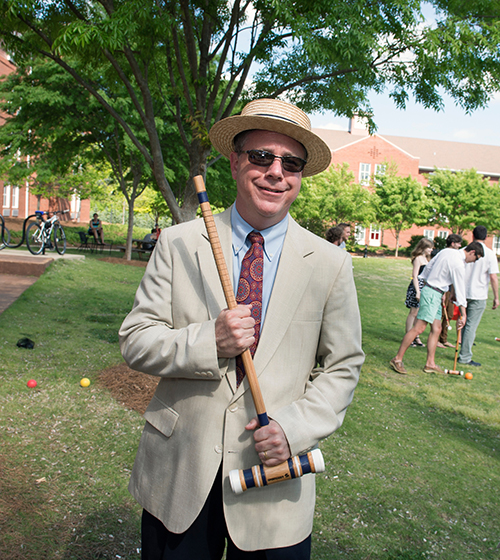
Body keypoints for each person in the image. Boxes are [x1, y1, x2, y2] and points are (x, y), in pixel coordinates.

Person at [119, 98, 364, 559]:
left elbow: (343, 367)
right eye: (261, 156)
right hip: (181, 473)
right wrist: (207, 340)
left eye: (290, 163)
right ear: (234, 162)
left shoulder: (330, 264)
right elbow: (136, 340)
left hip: (274, 484)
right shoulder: (179, 244)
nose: (276, 171)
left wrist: (294, 428)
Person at [389, 241, 484, 375]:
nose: (473, 262)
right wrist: (464, 314)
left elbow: (429, 268)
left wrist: (442, 290)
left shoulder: (447, 251)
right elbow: (460, 288)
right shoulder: (458, 263)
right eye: (476, 258)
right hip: (432, 293)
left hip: (436, 292)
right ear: (472, 252)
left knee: (437, 328)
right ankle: (397, 359)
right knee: (419, 328)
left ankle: (430, 364)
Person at [457, 226, 499, 367]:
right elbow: (493, 277)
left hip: (462, 292)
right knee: (470, 326)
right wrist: (496, 297)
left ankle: (462, 351)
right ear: (486, 237)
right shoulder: (490, 254)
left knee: (464, 324)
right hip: (478, 294)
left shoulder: (463, 250)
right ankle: (464, 357)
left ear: (472, 235)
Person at [404, 237, 434, 348]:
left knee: (419, 313)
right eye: (429, 248)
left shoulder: (427, 259)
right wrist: (418, 291)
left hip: (424, 287)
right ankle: (409, 335)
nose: (431, 250)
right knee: (413, 312)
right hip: (417, 286)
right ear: (423, 248)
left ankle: (415, 336)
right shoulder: (418, 259)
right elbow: (415, 276)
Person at [436, 234, 463, 348]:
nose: (460, 246)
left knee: (450, 314)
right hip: (444, 289)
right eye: (458, 243)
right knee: (442, 314)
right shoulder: (445, 254)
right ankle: (436, 339)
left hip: (451, 289)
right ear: (452, 243)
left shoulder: (456, 255)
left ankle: (444, 338)